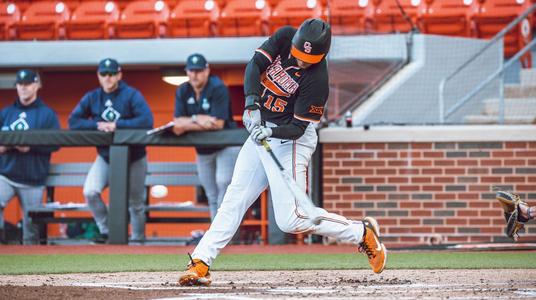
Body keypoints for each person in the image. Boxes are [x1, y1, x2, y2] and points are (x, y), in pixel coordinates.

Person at [178, 19, 387, 287]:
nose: (301, 63)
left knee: (292, 220)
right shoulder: (284, 36)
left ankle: (360, 232)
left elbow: (298, 128)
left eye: (307, 60)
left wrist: (271, 133)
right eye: (299, 56)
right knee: (234, 197)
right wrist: (252, 103)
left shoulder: (317, 80)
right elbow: (254, 66)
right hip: (261, 127)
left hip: (290, 140)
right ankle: (201, 261)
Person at [68, 58, 153, 243]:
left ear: (119, 75)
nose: (108, 77)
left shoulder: (131, 95)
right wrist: (98, 125)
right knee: (90, 191)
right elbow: (73, 121)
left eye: (112, 73)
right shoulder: (93, 97)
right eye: (104, 74)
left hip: (134, 157)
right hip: (105, 157)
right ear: (99, 75)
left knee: (135, 203)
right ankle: (108, 231)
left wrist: (117, 125)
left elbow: (147, 121)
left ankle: (138, 242)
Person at [172, 53, 240, 220]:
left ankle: (227, 235)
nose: (195, 74)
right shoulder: (183, 90)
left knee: (224, 185)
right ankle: (215, 236)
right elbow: (177, 125)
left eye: (199, 70)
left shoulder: (217, 87)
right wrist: (198, 119)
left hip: (227, 145)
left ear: (207, 70)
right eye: (192, 70)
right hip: (203, 150)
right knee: (211, 194)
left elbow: (218, 124)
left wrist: (188, 123)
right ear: (187, 72)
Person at [0, 69, 60, 244]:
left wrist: (30, 146)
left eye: (27, 84)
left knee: (31, 228)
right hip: (6, 175)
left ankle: (31, 268)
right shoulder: (6, 113)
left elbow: (56, 143)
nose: (23, 88)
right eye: (20, 84)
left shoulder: (47, 114)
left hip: (33, 179)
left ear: (36, 85)